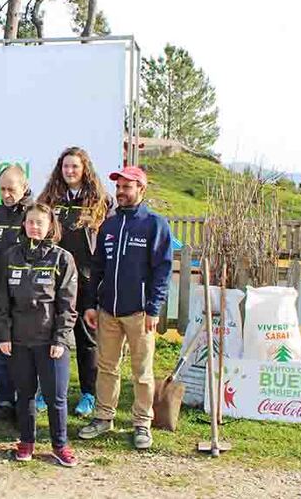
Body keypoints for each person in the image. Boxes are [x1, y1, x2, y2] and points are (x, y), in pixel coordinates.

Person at [78, 166, 172, 450]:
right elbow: (96, 268)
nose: (120, 192)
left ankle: (142, 423)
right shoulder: (108, 225)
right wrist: (92, 304)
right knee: (106, 367)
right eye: (118, 187)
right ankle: (104, 417)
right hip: (107, 311)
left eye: (127, 187)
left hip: (139, 313)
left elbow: (163, 271)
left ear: (141, 190)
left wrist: (153, 308)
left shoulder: (155, 224)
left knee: (142, 372)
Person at [0, 203, 79, 467]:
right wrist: (4, 335)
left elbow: (68, 304)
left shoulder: (62, 258)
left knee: (56, 397)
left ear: (49, 227)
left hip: (50, 342)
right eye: (30, 222)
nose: (34, 227)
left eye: (39, 223)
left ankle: (60, 444)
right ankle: (26, 441)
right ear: (24, 224)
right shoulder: (10, 256)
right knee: (25, 394)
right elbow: (2, 302)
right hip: (19, 341)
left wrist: (60, 338)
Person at [38, 147, 114, 417]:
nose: (69, 171)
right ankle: (45, 392)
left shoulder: (100, 200)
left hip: (86, 281)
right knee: (48, 334)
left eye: (75, 167)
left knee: (86, 339)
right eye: (65, 167)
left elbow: (108, 241)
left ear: (85, 169)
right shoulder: (50, 198)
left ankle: (88, 393)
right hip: (52, 279)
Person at [0, 164, 32, 424]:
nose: (6, 194)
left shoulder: (34, 214)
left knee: (24, 352)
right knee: (0, 350)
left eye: (11, 189)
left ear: (24, 187)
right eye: (2, 189)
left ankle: (25, 405)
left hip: (25, 293)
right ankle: (3, 403)